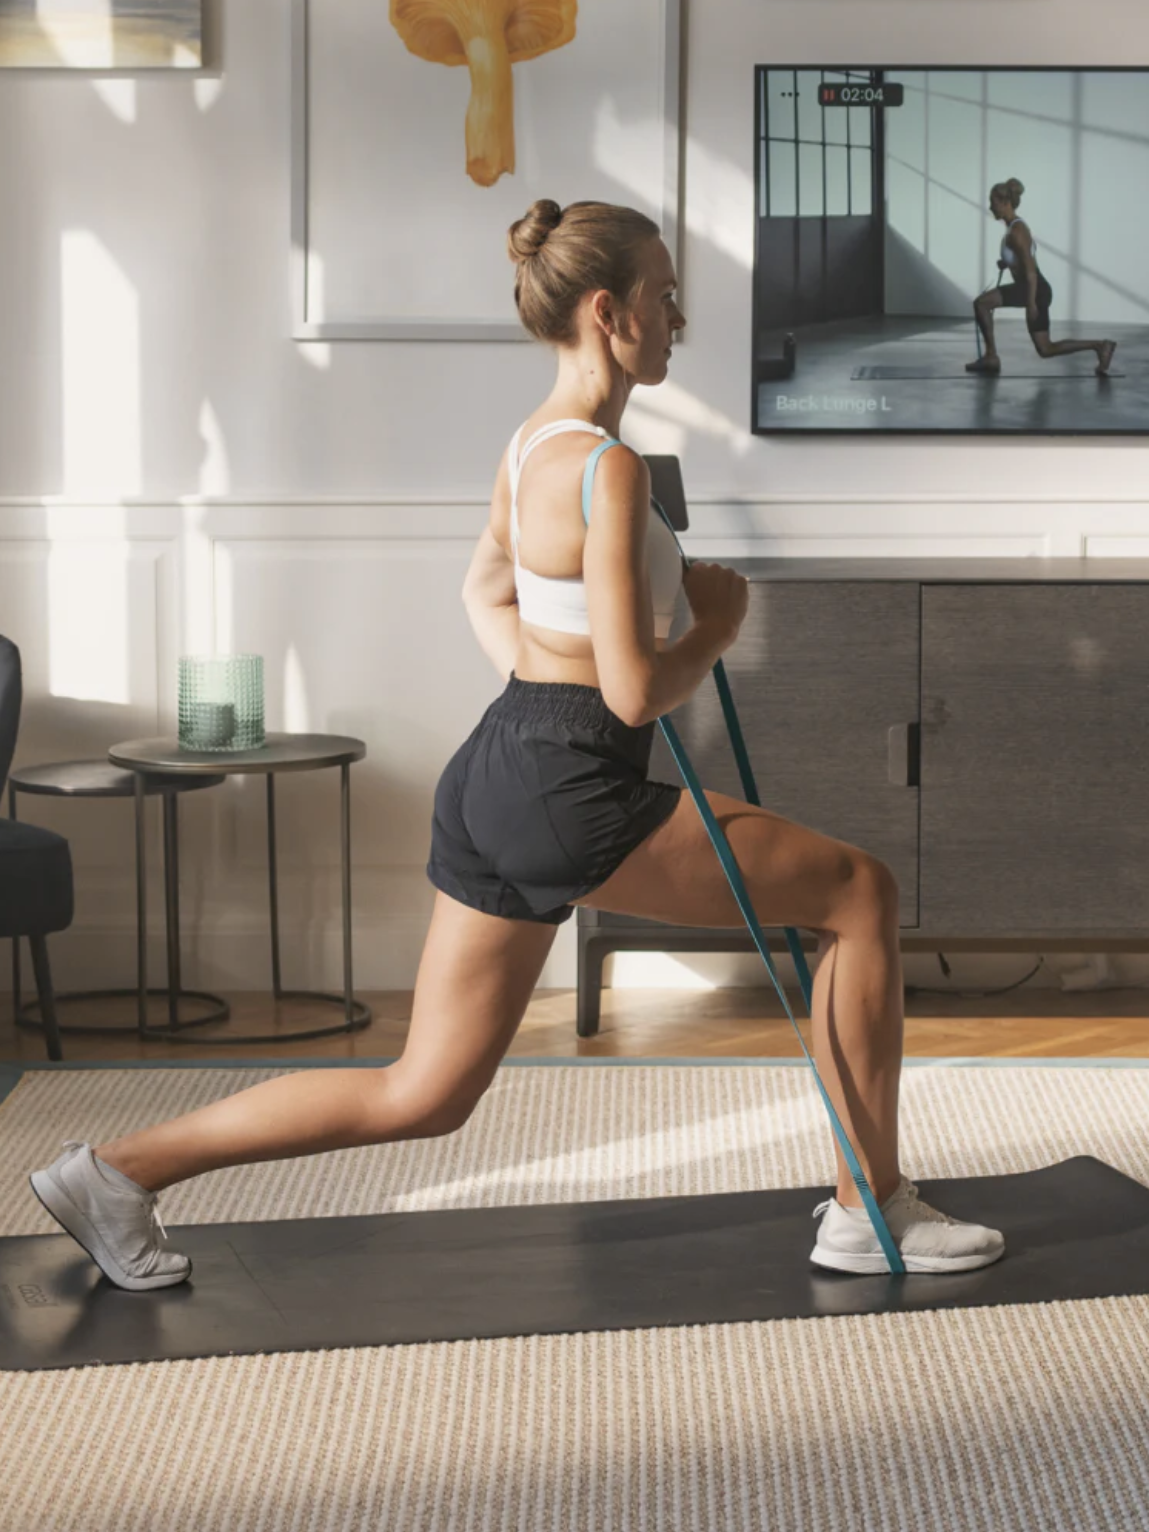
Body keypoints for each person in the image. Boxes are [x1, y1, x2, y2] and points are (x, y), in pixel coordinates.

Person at [30, 198, 1005, 1289]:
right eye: (665, 296)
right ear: (609, 309)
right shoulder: (610, 467)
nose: (678, 319)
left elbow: (486, 586)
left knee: (425, 1091)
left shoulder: (532, 443)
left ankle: (115, 1169)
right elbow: (636, 696)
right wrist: (719, 628)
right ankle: (867, 1207)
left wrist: (548, 685)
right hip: (571, 782)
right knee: (858, 891)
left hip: (500, 769)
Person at [967, 178, 1116, 376]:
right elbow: (1023, 261)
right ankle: (1100, 346)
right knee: (1046, 349)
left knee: (982, 304)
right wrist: (1007, 263)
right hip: (1031, 288)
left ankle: (991, 357)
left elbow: (1030, 271)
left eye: (992, 202)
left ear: (1004, 203)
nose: (990, 207)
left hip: (1033, 290)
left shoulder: (1017, 231)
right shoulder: (1012, 228)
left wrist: (1031, 305)